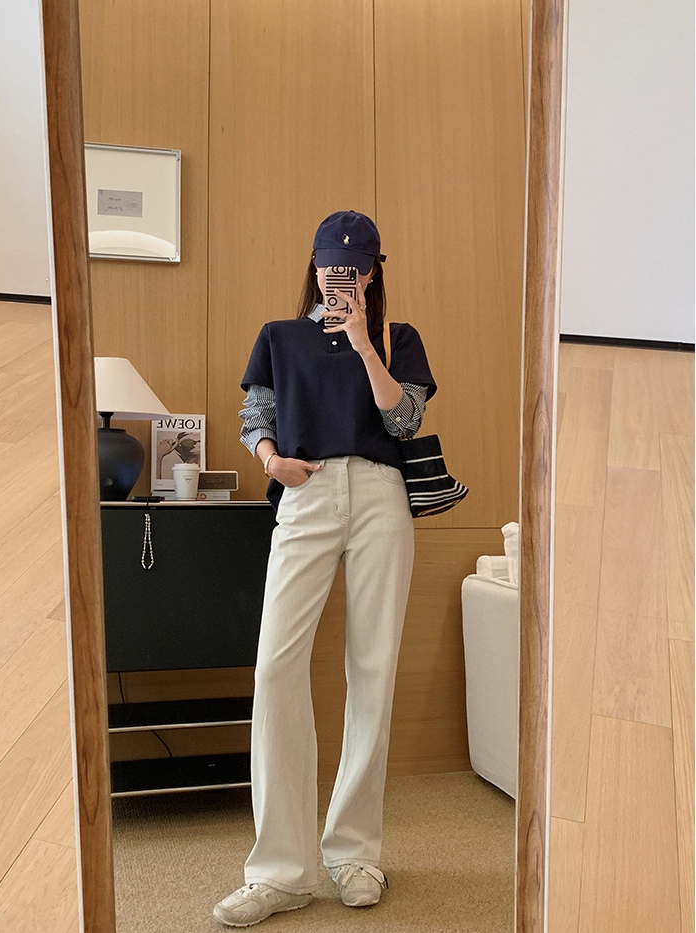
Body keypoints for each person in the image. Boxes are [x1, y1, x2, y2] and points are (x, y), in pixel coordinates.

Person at [214, 211, 437, 928]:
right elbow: (255, 414)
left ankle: (353, 853)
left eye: (355, 265)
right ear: (313, 266)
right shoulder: (279, 336)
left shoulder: (398, 338)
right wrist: (269, 460)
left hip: (379, 494)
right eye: (329, 264)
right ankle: (279, 870)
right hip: (304, 491)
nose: (340, 275)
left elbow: (403, 420)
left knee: (373, 667)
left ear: (373, 271)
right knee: (276, 667)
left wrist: (365, 342)